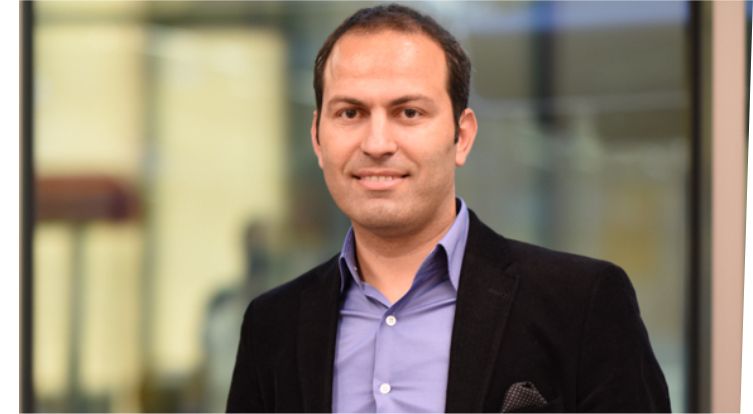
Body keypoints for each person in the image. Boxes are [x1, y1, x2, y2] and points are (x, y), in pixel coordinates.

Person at [227, 4, 670, 413]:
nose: (377, 144)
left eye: (409, 113)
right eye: (350, 113)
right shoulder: (273, 326)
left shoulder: (582, 304)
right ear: (317, 138)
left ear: (462, 137)